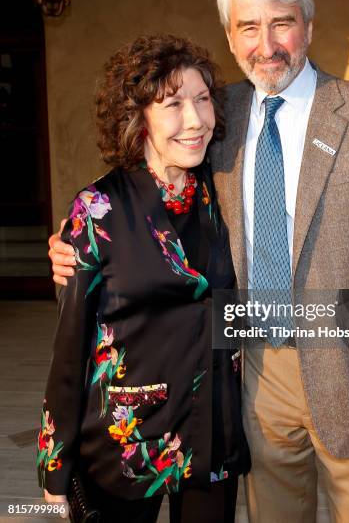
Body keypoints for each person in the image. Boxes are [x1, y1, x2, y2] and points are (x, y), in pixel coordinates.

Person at [49, 0, 349, 523]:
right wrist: (72, 237)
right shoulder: (215, 113)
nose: (267, 43)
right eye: (249, 27)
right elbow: (151, 185)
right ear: (230, 37)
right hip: (251, 374)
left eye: (282, 22)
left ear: (309, 25)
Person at [39, 34, 250, 523]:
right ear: (139, 118)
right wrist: (55, 461)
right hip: (123, 446)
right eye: (173, 104)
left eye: (202, 100)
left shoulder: (223, 198)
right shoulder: (98, 210)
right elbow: (70, 347)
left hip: (211, 437)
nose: (195, 120)